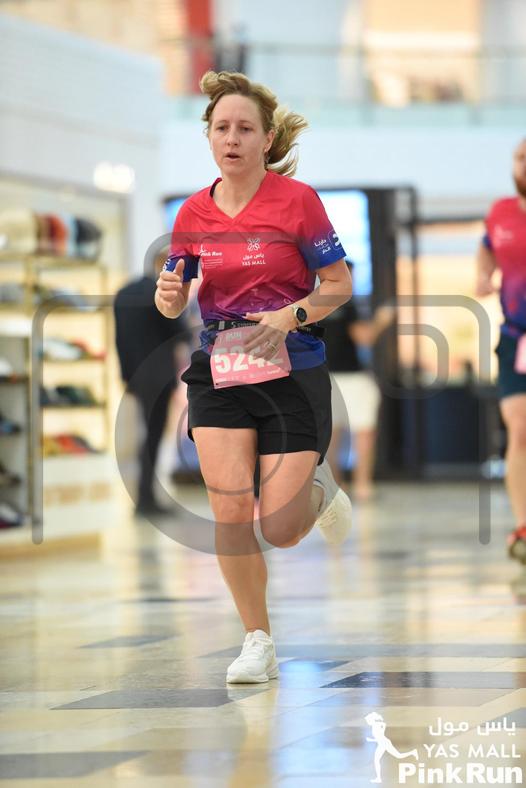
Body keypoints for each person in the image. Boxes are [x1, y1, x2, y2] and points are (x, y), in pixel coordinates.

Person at [155, 70, 353, 683]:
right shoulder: (193, 210)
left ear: (267, 139)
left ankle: (319, 492)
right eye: (221, 128)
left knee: (280, 528)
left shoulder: (298, 202)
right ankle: (256, 640)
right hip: (219, 368)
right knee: (230, 508)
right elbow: (174, 294)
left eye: (245, 128)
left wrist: (290, 315)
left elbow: (338, 284)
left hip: (292, 366)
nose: (232, 138)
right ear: (209, 137)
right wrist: (168, 296)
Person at [476, 138, 526, 562]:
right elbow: (487, 246)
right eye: (520, 157)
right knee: (519, 428)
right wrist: (483, 275)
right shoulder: (500, 212)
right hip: (516, 337)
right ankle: (523, 528)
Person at [114, 254, 190, 517]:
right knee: (153, 435)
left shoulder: (123, 293)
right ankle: (146, 499)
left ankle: (145, 496)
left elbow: (119, 339)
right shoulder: (160, 295)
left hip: (134, 375)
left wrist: (126, 375)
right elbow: (180, 331)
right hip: (159, 376)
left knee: (146, 434)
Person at [323, 283, 396, 501]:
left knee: (331, 435)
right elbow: (365, 336)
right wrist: (383, 319)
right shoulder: (346, 303)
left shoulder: (309, 303)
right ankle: (362, 485)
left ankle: (336, 488)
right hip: (352, 377)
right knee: (363, 431)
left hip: (323, 375)